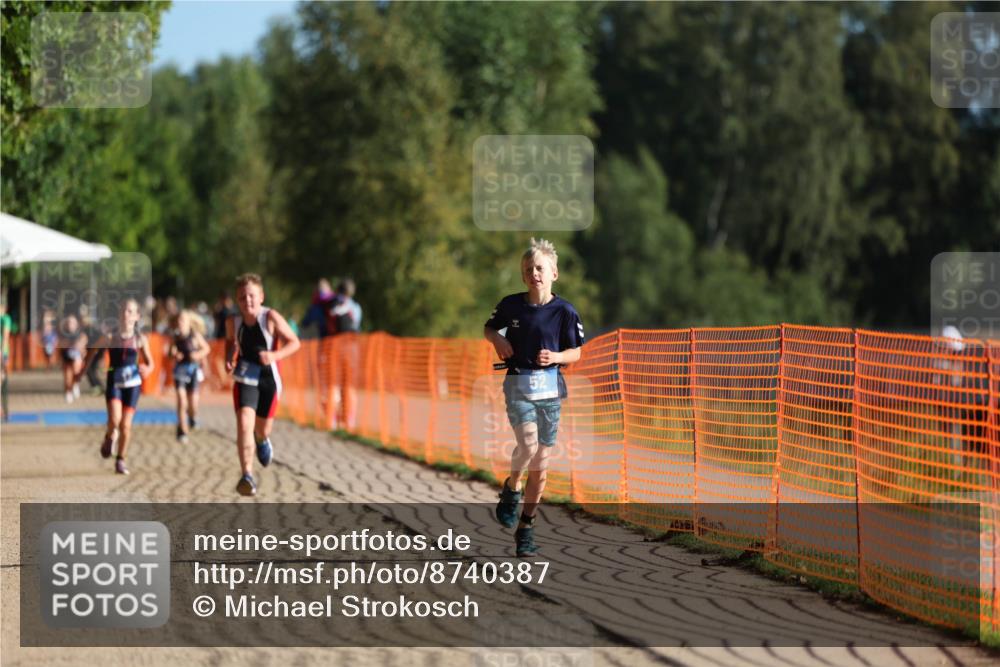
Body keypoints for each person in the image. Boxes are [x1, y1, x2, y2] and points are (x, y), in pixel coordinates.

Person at [484, 238, 584, 557]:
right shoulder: (511, 305)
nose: (534, 273)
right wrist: (497, 342)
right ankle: (513, 487)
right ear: (522, 276)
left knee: (541, 463)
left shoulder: (564, 311)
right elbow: (489, 328)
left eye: (540, 268)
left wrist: (556, 357)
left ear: (553, 272)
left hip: (551, 391)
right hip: (518, 385)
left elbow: (576, 352)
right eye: (528, 269)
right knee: (527, 445)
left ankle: (526, 526)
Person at [226, 273, 300, 496]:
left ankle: (262, 439)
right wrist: (229, 358)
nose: (246, 301)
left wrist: (274, 355)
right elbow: (230, 343)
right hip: (245, 377)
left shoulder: (271, 317)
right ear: (237, 300)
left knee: (262, 428)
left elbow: (294, 342)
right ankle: (246, 475)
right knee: (243, 423)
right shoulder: (233, 322)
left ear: (261, 297)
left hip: (268, 379)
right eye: (241, 297)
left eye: (251, 296)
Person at [78, 299, 153, 475]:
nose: (126, 314)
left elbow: (151, 363)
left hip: (133, 385)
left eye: (130, 311)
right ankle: (109, 436)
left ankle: (120, 460)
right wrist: (82, 370)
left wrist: (148, 369)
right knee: (114, 420)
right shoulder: (111, 336)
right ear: (119, 315)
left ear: (137, 316)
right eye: (123, 311)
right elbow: (93, 350)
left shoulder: (140, 339)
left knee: (126, 426)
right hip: (114, 382)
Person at [169, 310, 210, 443]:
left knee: (193, 404)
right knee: (182, 401)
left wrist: (197, 355)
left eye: (183, 320)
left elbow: (206, 348)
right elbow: (170, 352)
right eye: (178, 321)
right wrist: (174, 354)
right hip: (180, 371)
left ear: (189, 323)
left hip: (193, 370)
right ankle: (182, 430)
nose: (180, 323)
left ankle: (192, 417)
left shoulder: (195, 335)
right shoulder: (175, 337)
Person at [328, 278, 362, 430]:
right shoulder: (355, 307)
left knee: (337, 384)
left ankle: (337, 418)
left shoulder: (334, 305)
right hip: (350, 348)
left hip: (337, 348)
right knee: (348, 385)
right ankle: (348, 419)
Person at [58, 314, 87, 403]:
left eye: (72, 323)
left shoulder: (80, 334)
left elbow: (84, 342)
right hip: (66, 357)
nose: (70, 324)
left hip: (77, 358)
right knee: (67, 377)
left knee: (76, 369)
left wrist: (81, 346)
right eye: (69, 323)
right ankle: (68, 392)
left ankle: (75, 384)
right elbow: (60, 345)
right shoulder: (63, 334)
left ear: (76, 324)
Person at [1, 301, 12, 422]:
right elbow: (5, 336)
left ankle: (5, 411)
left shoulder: (4, 319)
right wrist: (3, 355)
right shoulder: (6, 319)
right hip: (2, 353)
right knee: (3, 381)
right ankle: (5, 411)